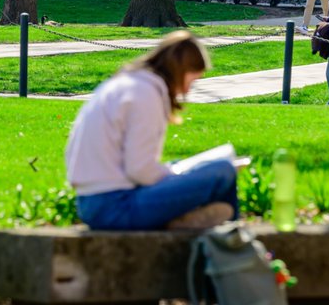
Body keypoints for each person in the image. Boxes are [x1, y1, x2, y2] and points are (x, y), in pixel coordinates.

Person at [64, 31, 239, 230]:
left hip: (93, 201)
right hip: (115, 205)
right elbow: (140, 170)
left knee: (185, 167)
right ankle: (231, 238)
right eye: (191, 81)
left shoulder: (128, 84)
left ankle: (204, 225)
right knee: (223, 170)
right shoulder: (145, 94)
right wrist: (175, 175)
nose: (187, 91)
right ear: (179, 71)